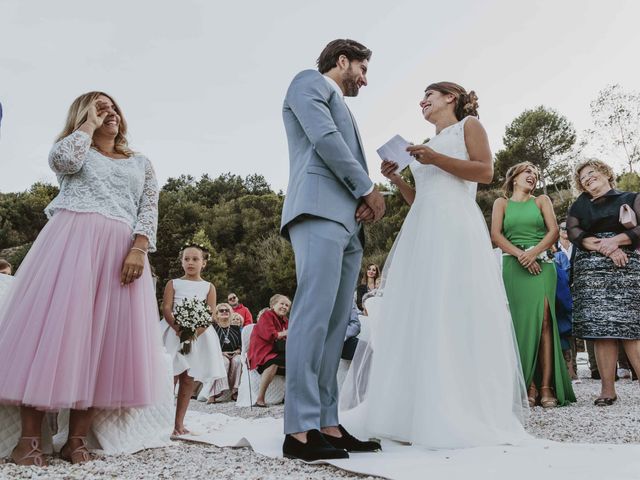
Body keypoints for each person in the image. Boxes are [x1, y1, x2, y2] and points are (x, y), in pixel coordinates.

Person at [344, 81, 529, 448]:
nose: (422, 102)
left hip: (456, 226)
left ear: (451, 97)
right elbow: (420, 198)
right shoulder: (423, 147)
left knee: (454, 306)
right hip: (423, 229)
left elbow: (485, 172)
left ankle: (459, 407)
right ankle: (410, 408)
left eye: (429, 95)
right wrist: (397, 177)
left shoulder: (469, 126)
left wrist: (434, 159)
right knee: (421, 310)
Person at [0, 92, 167, 465]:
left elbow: (149, 207)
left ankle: (75, 440)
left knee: (103, 343)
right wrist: (87, 126)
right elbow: (62, 160)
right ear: (84, 115)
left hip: (121, 253)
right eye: (99, 107)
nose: (109, 112)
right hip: (70, 246)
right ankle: (28, 441)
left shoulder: (140, 162)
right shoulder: (74, 150)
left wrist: (139, 249)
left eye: (113, 107)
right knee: (52, 334)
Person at [280, 38, 385, 461]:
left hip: (349, 226)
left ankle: (327, 421)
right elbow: (323, 138)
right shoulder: (308, 83)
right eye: (362, 69)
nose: (364, 79)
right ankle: (299, 430)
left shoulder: (345, 106)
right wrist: (367, 187)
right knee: (311, 316)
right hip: (319, 210)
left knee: (337, 323)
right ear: (342, 60)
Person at [491, 162, 575, 408]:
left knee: (545, 322)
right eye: (527, 172)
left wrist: (534, 253)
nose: (532, 177)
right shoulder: (501, 204)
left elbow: (552, 232)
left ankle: (547, 385)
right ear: (514, 177)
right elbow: (496, 235)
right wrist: (521, 255)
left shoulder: (542, 201)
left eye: (535, 174)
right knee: (519, 324)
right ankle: (528, 384)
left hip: (542, 266)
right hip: (513, 267)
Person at [567, 159, 640, 406]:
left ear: (606, 172)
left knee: (632, 327)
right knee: (602, 331)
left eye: (591, 173)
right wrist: (608, 249)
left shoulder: (631, 197)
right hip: (592, 269)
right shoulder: (580, 205)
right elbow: (576, 234)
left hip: (627, 267)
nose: (587, 179)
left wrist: (617, 241)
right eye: (582, 178)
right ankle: (607, 391)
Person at [160, 244, 227, 435]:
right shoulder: (173, 283)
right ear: (181, 261)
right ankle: (163, 422)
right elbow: (166, 307)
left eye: (195, 259)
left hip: (199, 335)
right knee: (169, 375)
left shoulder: (208, 287)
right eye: (186, 259)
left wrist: (194, 333)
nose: (190, 262)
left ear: (203, 263)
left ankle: (179, 423)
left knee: (188, 379)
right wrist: (178, 328)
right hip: (173, 333)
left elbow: (209, 313)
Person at [247, 294, 291, 408]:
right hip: (263, 352)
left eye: (287, 305)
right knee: (274, 361)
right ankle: (260, 399)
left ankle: (290, 397)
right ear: (273, 305)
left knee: (298, 360)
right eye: (282, 303)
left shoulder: (285, 320)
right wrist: (287, 332)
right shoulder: (267, 315)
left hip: (277, 351)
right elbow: (271, 335)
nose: (284, 307)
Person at [207, 303, 242, 403]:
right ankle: (216, 392)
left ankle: (235, 390)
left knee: (238, 361)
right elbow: (209, 345)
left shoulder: (235, 328)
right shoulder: (212, 328)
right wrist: (221, 353)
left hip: (234, 353)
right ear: (216, 314)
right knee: (224, 362)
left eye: (227, 310)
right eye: (221, 311)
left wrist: (238, 351)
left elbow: (241, 345)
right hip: (218, 354)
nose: (224, 312)